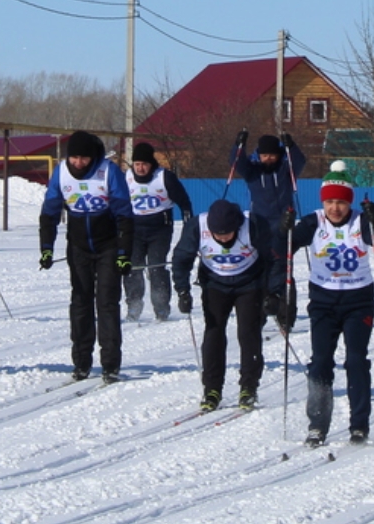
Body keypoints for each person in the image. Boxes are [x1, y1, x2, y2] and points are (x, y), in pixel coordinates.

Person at [287, 162, 374, 446]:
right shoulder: (314, 222)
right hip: (323, 302)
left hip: (358, 302)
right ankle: (317, 424)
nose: (334, 208)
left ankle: (359, 425)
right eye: (329, 201)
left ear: (348, 202)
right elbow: (282, 249)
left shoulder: (360, 222)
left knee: (355, 361)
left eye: (340, 202)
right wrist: (284, 230)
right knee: (320, 363)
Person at [40, 131, 133, 383]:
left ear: (92, 157)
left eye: (83, 159)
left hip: (108, 244)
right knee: (80, 302)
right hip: (78, 245)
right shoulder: (61, 172)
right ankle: (81, 361)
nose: (78, 163)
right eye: (74, 158)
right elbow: (50, 212)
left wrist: (124, 252)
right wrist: (46, 247)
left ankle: (110, 364)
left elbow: (125, 214)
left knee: (106, 302)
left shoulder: (108, 171)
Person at [172, 199, 275, 411]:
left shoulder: (253, 224)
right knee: (213, 333)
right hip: (214, 284)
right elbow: (181, 258)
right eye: (217, 235)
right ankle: (212, 389)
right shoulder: (197, 226)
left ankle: (248, 387)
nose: (222, 238)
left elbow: (274, 259)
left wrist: (274, 292)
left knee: (248, 332)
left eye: (227, 234)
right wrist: (183, 290)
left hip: (250, 283)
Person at [233, 130, 305, 333]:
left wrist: (291, 145)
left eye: (272, 155)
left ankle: (285, 315)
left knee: (283, 271)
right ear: (259, 155)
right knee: (260, 272)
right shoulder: (253, 171)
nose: (268, 158)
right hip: (259, 226)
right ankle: (261, 312)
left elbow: (299, 161)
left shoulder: (286, 169)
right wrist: (239, 145)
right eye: (265, 155)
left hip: (283, 225)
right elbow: (237, 163)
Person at [124, 141, 194, 322]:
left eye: (144, 164)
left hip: (159, 229)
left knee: (156, 267)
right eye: (137, 164)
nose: (140, 168)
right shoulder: (127, 178)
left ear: (151, 164)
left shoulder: (164, 177)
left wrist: (188, 224)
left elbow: (184, 202)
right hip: (135, 229)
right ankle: (134, 306)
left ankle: (161, 308)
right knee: (133, 267)